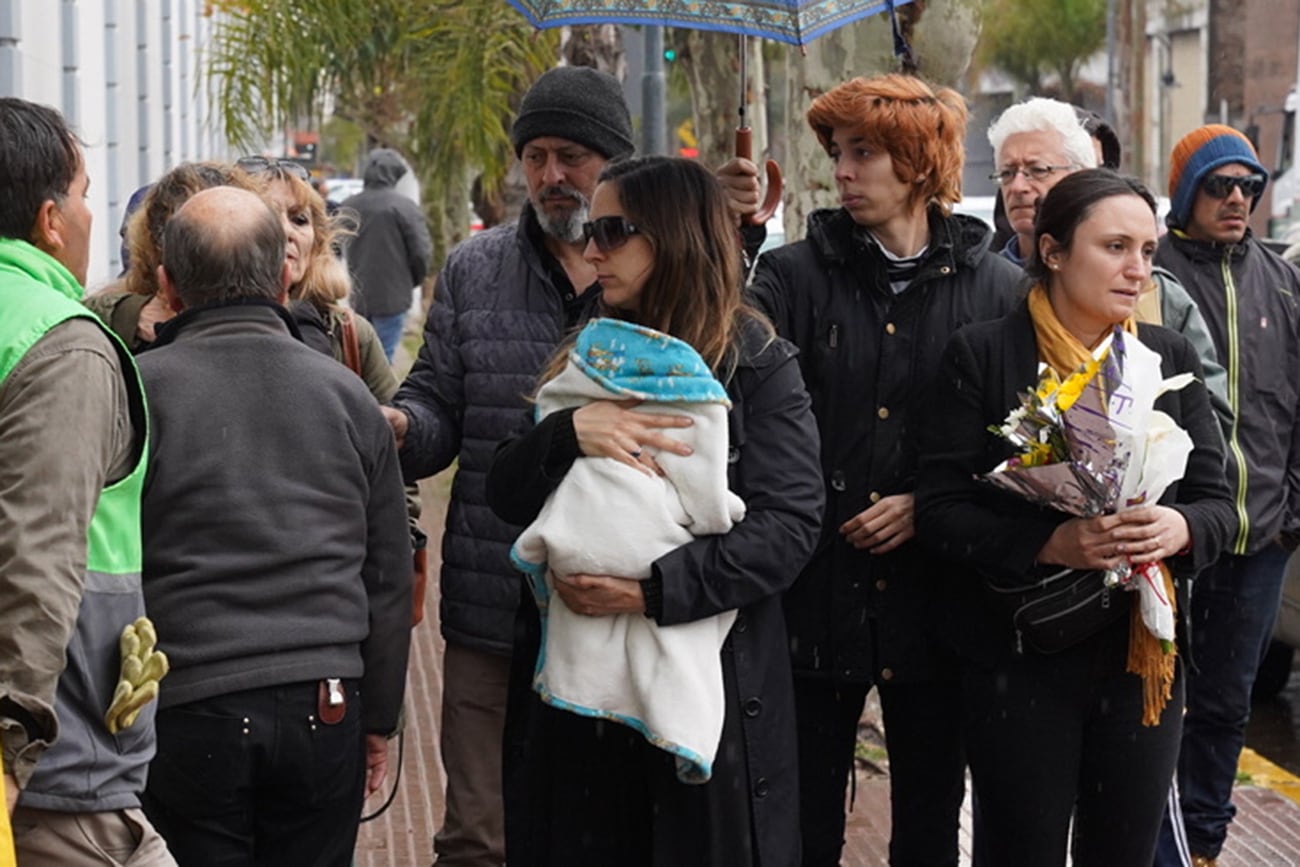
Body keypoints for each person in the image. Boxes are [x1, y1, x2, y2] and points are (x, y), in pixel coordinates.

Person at [384, 65, 761, 867]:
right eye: (535, 155)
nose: (551, 175)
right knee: (481, 832)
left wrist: (744, 228)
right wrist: (399, 428)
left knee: (615, 825)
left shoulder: (665, 288)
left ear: (615, 159)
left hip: (643, 617)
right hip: (497, 604)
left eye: (573, 155)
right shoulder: (474, 270)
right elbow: (436, 409)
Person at [485, 154, 824, 866]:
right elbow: (505, 492)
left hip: (708, 696)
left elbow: (788, 528)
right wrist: (570, 433)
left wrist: (650, 591)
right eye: (589, 228)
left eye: (614, 229)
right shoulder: (593, 349)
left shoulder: (755, 361)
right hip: (579, 712)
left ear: (673, 236)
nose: (591, 248)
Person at [915, 168, 1235, 866]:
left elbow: (1218, 502)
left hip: (1140, 655)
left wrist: (1178, 529)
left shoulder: (1165, 356)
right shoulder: (986, 352)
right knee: (1018, 848)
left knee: (1123, 850)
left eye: (1148, 251)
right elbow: (940, 512)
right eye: (1116, 246)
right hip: (1021, 657)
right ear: (1053, 251)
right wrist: (1053, 540)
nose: (1137, 269)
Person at [747, 73, 1022, 867]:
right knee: (797, 827)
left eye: (862, 152)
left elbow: (1018, 447)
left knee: (932, 824)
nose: (841, 171)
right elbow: (748, 410)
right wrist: (736, 232)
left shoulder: (998, 289)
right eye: (836, 153)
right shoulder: (792, 276)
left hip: (940, 605)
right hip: (811, 594)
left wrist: (927, 503)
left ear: (919, 159)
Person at [134, 186, 412, 865]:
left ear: (167, 283)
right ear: (286, 273)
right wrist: (379, 719)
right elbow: (386, 570)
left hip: (186, 707)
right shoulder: (347, 394)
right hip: (326, 702)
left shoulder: (137, 390)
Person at [0, 96, 174, 865]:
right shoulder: (62, 344)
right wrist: (8, 752)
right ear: (49, 220)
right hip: (55, 770)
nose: (88, 214)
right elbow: (36, 552)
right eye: (83, 194)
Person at [1152, 125, 1300, 867]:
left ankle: (1204, 845)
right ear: (1186, 193)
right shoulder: (1153, 273)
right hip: (1177, 533)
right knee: (1158, 701)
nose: (1238, 198)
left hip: (1261, 537)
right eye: (1220, 185)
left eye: (1249, 185)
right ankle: (1153, 841)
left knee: (1226, 705)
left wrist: (1289, 514)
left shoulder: (1281, 277)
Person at [987, 98, 1229, 418]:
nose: (1018, 186)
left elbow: (1208, 418)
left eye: (1037, 170)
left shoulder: (1156, 296)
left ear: (1083, 177)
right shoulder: (981, 285)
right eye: (1007, 173)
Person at [341, 148, 433, 362]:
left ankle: (359, 394)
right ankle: (379, 397)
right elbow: (421, 252)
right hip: (393, 295)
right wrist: (413, 281)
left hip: (359, 292)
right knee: (383, 359)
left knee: (358, 358)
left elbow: (335, 247)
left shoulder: (349, 205)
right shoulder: (404, 207)